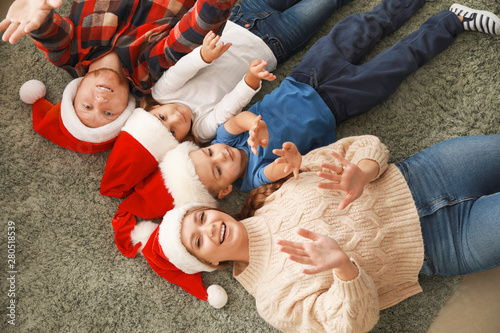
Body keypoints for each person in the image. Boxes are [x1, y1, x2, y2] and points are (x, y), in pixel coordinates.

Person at [131, 133, 500, 330]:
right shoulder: (273, 300)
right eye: (199, 242)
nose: (209, 229)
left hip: (426, 172)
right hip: (446, 244)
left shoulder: (275, 191)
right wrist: (343, 268)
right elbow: (348, 325)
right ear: (210, 263)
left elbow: (365, 145)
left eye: (201, 218)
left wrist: (363, 172)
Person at [162, 0, 500, 199]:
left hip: (305, 76)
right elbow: (277, 171)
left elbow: (238, 121)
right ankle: (453, 20)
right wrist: (291, 162)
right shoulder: (251, 178)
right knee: (399, 64)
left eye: (208, 153)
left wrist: (256, 125)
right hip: (337, 106)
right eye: (218, 170)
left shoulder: (226, 138)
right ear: (224, 190)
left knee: (366, 25)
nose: (220, 154)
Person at [100, 0, 352, 197]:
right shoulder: (202, 130)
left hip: (239, 18)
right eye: (174, 130)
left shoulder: (161, 93)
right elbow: (231, 105)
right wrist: (251, 79)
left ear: (151, 109)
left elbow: (182, 70)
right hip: (273, 44)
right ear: (183, 142)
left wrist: (204, 56)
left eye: (162, 117)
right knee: (326, 4)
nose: (176, 117)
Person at [3, 0, 238, 153]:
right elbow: (192, 33)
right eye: (108, 113)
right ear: (126, 107)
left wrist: (38, 18)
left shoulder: (68, 55)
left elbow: (49, 33)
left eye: (86, 106)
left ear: (75, 93)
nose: (100, 102)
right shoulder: (150, 72)